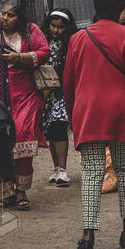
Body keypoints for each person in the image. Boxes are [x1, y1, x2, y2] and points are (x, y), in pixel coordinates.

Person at [64, 0, 125, 249]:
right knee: (124, 169)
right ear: (121, 9)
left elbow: (68, 82)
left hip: (87, 111)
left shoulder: (78, 38)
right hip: (120, 111)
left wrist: (73, 113)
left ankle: (87, 235)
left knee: (91, 171)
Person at [0, 0, 50, 210]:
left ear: (20, 17)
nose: (4, 18)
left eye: (11, 15)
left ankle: (21, 190)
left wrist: (20, 58)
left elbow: (44, 52)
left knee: (22, 137)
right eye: (2, 13)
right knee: (0, 143)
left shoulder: (30, 30)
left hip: (25, 95)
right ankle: (6, 190)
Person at [41, 9, 76, 186]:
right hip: (45, 93)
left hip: (61, 94)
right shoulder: (43, 42)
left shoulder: (70, 45)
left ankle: (62, 169)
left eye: (60, 27)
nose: (55, 30)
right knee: (51, 132)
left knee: (59, 127)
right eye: (53, 26)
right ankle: (56, 169)